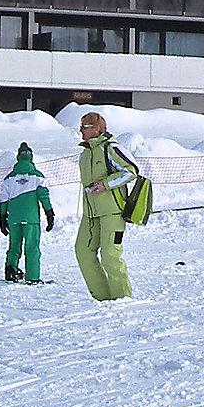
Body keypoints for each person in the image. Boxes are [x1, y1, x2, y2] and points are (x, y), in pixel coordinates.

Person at [75, 111, 137, 302]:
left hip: (113, 212)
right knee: (83, 252)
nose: (80, 131)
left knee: (110, 255)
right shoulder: (85, 154)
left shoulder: (110, 149)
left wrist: (105, 184)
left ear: (96, 129)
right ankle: (103, 298)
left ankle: (123, 298)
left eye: (84, 127)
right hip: (91, 214)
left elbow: (131, 171)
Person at [0, 142, 55, 283]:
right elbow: (44, 196)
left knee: (14, 246)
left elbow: (3, 199)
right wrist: (49, 213)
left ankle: (11, 271)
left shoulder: (8, 179)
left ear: (18, 158)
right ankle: (33, 277)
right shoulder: (38, 177)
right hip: (31, 219)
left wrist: (2, 217)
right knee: (32, 247)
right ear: (31, 158)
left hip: (14, 219)